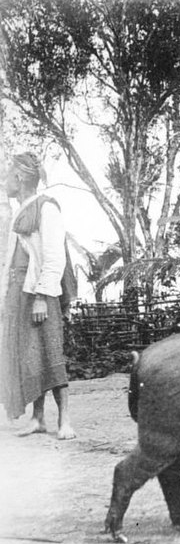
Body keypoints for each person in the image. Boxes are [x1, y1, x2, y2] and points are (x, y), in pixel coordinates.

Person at [0, 152, 75, 439]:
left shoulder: (47, 208)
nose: (5, 181)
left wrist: (43, 295)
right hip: (20, 291)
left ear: (19, 178)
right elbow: (11, 259)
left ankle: (65, 421)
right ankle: (38, 418)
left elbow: (55, 256)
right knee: (31, 356)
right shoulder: (20, 211)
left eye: (8, 175)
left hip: (40, 292)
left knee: (50, 351)